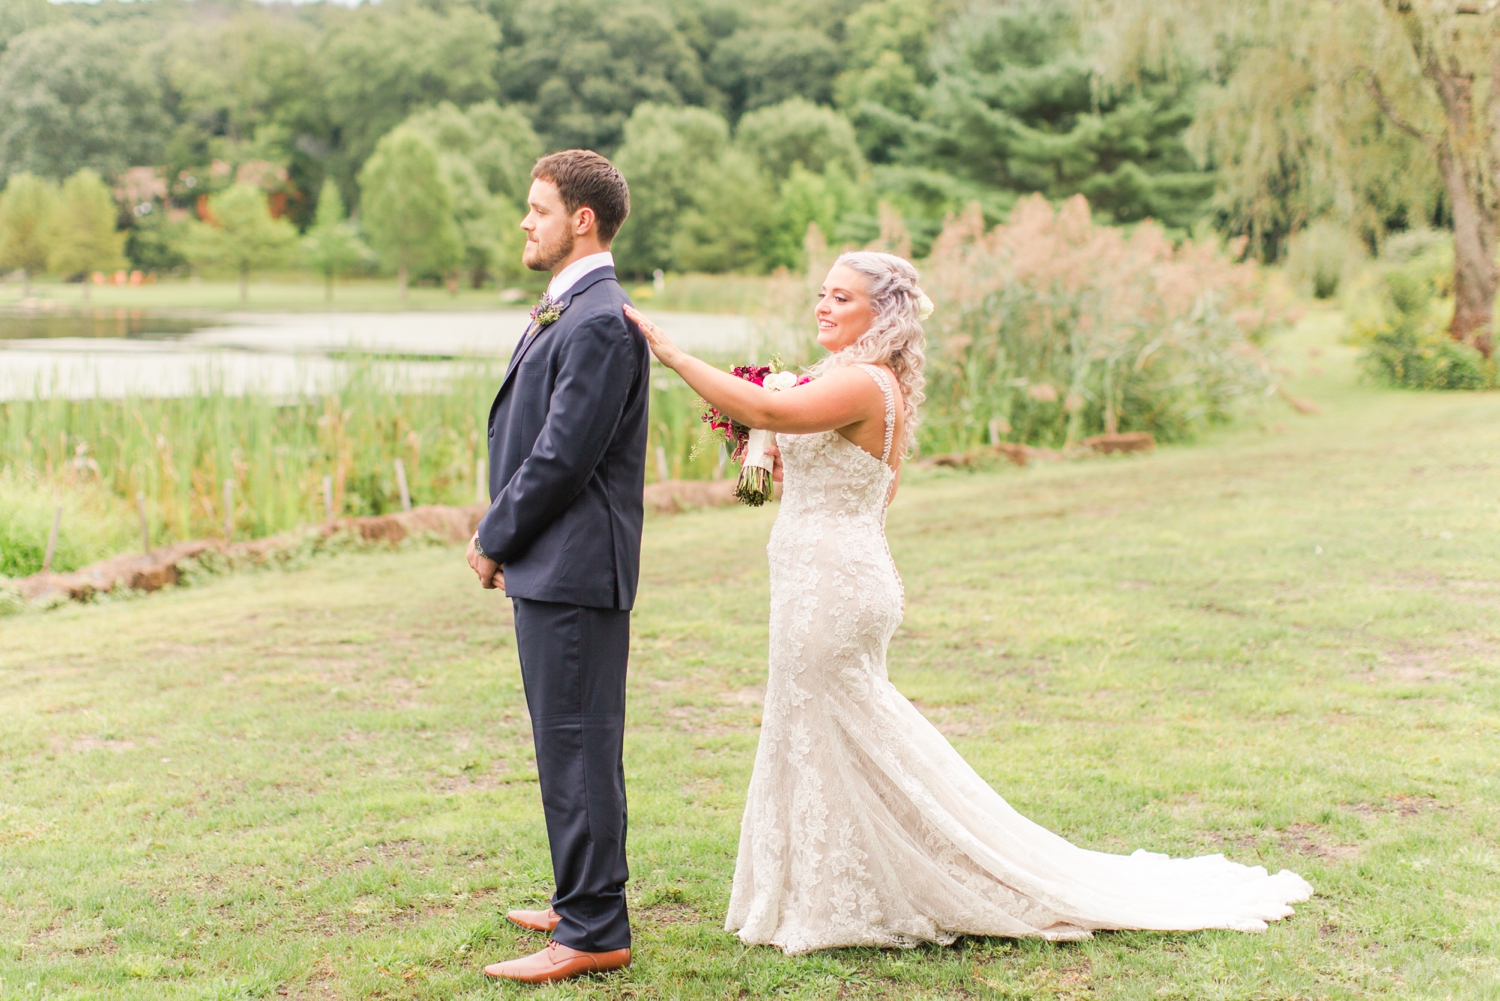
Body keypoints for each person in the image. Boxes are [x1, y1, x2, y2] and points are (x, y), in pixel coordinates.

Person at [624, 251, 1312, 955]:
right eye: (821, 294)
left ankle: (896, 883)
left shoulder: (864, 382)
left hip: (831, 586)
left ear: (881, 316)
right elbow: (850, 474)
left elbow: (769, 408)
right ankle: (825, 886)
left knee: (845, 729)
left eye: (842, 298)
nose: (823, 306)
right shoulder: (844, 379)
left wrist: (672, 352)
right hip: (820, 576)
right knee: (824, 730)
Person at [468, 150, 646, 984]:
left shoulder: (600, 318)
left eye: (537, 209)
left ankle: (592, 927)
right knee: (571, 741)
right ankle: (583, 896)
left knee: (577, 744)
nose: (525, 222)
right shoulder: (572, 306)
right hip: (558, 564)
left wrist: (493, 533)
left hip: (574, 568)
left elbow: (561, 457)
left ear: (582, 219)